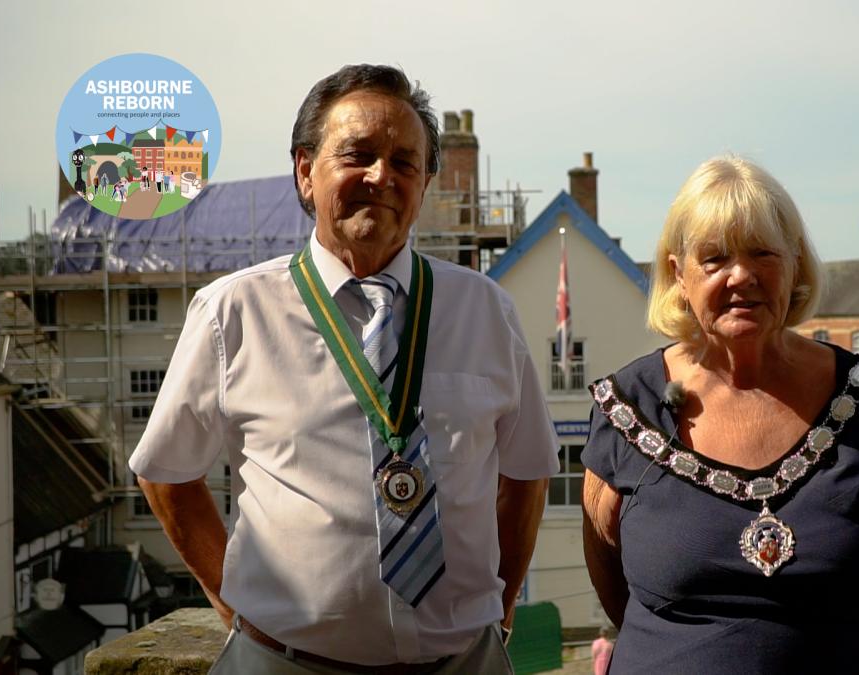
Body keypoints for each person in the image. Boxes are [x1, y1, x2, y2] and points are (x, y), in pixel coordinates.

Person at [131, 64, 558, 674]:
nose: (382, 176)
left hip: (464, 662)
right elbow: (166, 475)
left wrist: (502, 612)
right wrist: (240, 610)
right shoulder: (233, 312)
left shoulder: (486, 309)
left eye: (405, 162)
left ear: (426, 181)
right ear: (305, 170)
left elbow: (526, 476)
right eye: (358, 155)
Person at [581, 155, 859, 674]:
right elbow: (612, 581)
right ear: (679, 274)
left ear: (794, 264)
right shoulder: (626, 406)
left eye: (762, 253)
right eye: (715, 258)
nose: (740, 274)